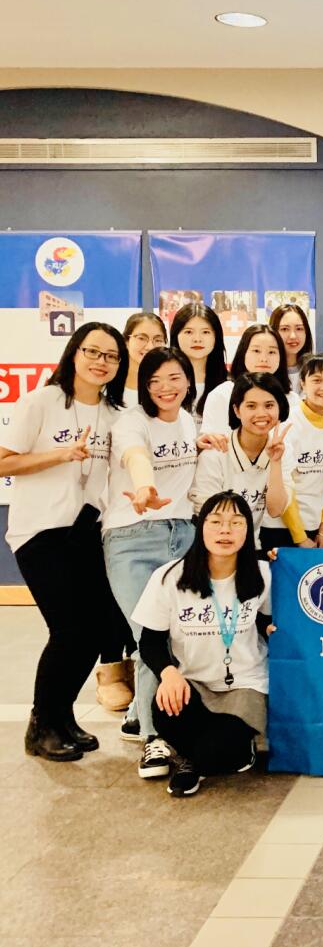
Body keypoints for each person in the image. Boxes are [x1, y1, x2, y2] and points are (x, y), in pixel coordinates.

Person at [0, 323, 129, 761]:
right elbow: (4, 462)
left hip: (88, 532)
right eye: (92, 351)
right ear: (74, 353)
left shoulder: (115, 414)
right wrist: (60, 454)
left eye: (111, 356)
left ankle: (61, 717)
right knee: (69, 630)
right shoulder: (42, 401)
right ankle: (41, 726)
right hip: (40, 532)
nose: (100, 362)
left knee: (93, 634)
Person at [102, 347, 205, 770]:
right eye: (155, 380)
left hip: (183, 535)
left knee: (178, 634)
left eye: (174, 378)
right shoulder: (131, 421)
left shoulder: (190, 421)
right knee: (150, 634)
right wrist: (144, 487)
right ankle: (154, 737)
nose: (166, 388)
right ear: (144, 386)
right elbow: (135, 455)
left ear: (188, 381)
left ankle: (137, 715)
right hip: (132, 539)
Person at [134, 491, 272, 797]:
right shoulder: (169, 577)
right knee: (166, 714)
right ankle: (199, 756)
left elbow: (266, 620)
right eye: (216, 521)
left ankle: (193, 762)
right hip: (193, 684)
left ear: (248, 530)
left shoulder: (263, 574)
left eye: (236, 522)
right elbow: (150, 641)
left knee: (221, 752)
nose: (226, 530)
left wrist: (272, 628)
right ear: (201, 527)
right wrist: (169, 673)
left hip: (245, 685)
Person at [189, 373, 294, 540]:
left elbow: (276, 510)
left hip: (249, 543)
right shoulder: (216, 452)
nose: (261, 413)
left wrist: (275, 462)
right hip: (211, 541)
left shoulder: (282, 450)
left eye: (269, 405)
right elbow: (207, 515)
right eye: (251, 406)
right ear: (237, 410)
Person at [259, 354, 323, 552]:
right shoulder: (288, 424)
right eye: (317, 380)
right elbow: (285, 484)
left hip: (316, 529)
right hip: (280, 529)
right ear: (303, 383)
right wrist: (300, 538)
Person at [200, 323, 290, 436]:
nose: (264, 359)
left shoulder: (292, 398)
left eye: (272, 352)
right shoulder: (221, 395)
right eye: (256, 351)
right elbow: (210, 442)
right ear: (243, 353)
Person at [169, 303, 227, 430]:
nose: (197, 339)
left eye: (205, 332)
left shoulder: (228, 385)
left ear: (216, 337)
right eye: (189, 332)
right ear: (176, 335)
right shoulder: (163, 382)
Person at [121, 312, 167, 408]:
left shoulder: (170, 385)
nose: (150, 347)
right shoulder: (108, 381)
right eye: (141, 338)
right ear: (126, 341)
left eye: (158, 340)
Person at [269, 303, 314, 393]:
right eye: (285, 329)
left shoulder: (314, 369)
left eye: (299, 329)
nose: (293, 336)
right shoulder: (266, 371)